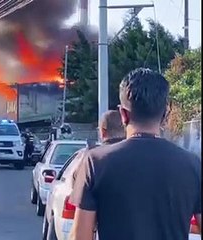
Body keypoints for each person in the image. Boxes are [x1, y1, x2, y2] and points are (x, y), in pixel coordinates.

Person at [69, 68, 201, 240]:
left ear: (123, 114)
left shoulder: (96, 162)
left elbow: (80, 237)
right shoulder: (192, 165)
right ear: (166, 114)